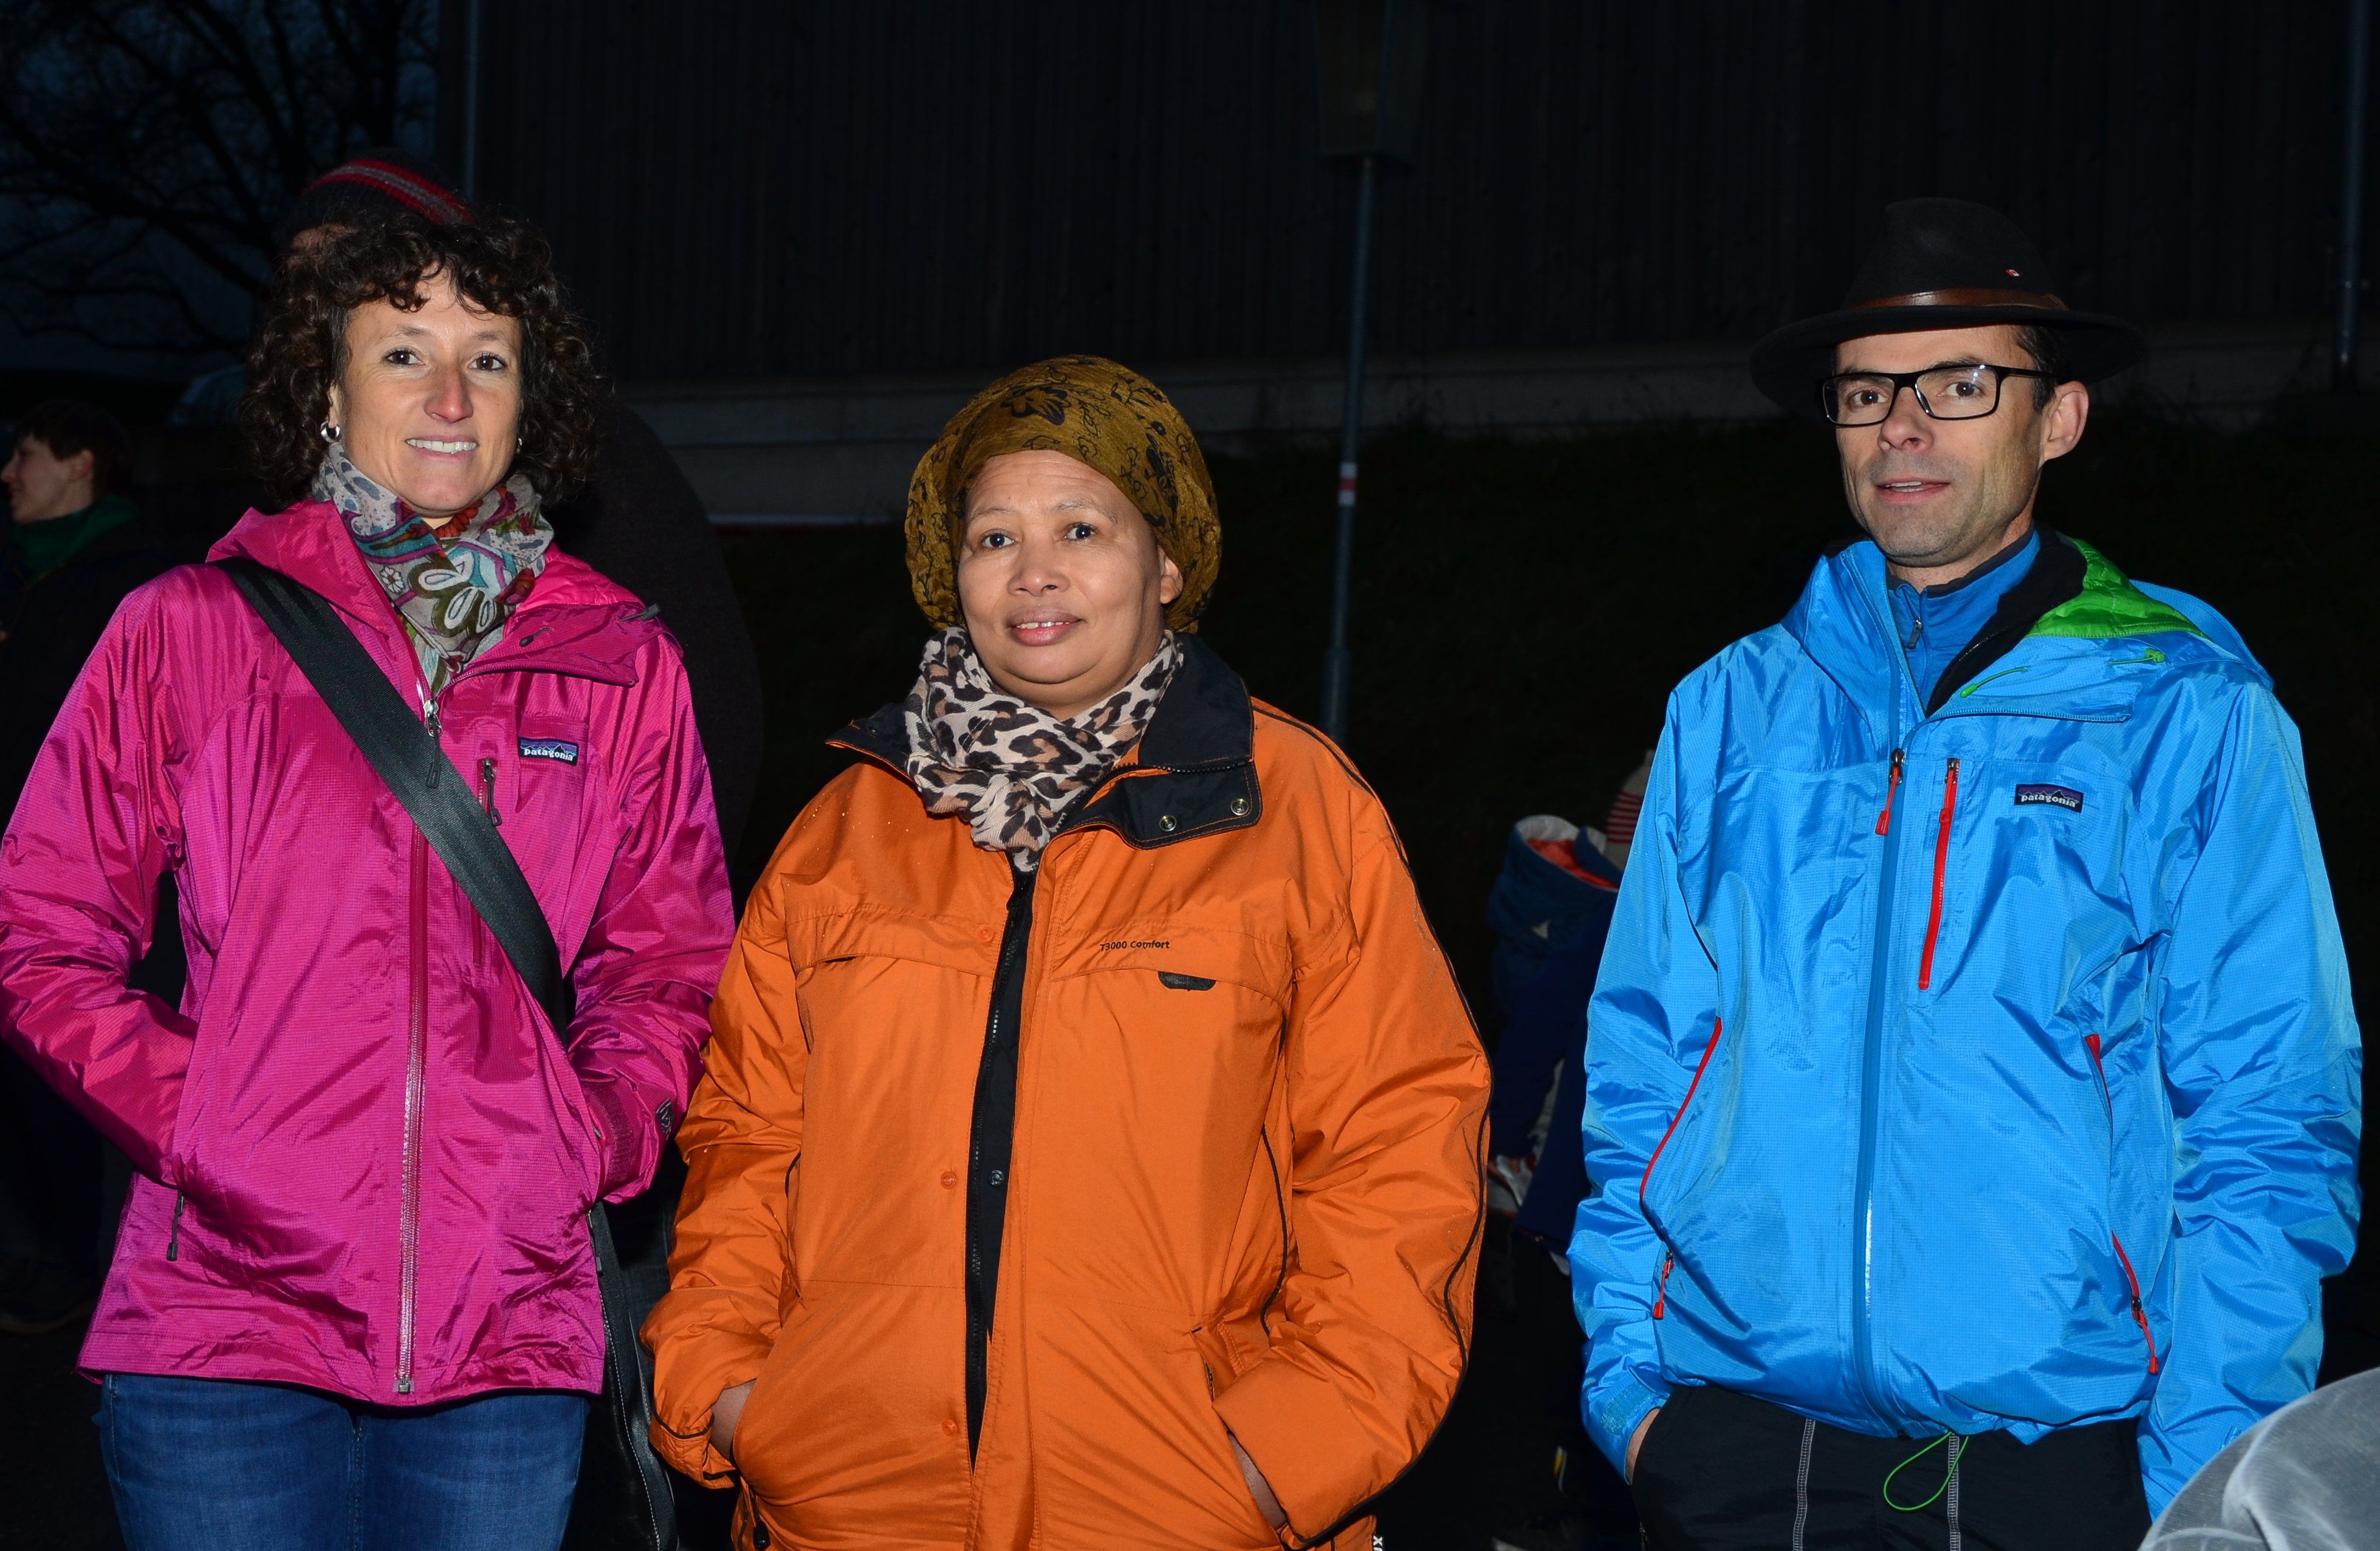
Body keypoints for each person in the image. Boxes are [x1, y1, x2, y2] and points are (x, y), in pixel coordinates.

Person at [1569, 198, 2362, 1550]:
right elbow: (1645, 1061)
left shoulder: (2183, 711)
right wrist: (1632, 1394)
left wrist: (2200, 1478)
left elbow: (2267, 1117)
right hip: (1733, 1450)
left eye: (1959, 383)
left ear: (2058, 419)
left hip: (2057, 1471)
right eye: (1867, 391)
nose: (1903, 426)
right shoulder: (1731, 708)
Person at [643, 355, 1490, 1550]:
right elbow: (745, 1133)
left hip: (1178, 1508)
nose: (1033, 570)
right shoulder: (846, 829)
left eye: (1081, 528)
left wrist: (1280, 1457)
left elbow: (1399, 1143)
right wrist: (732, 1388)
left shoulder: (1299, 810)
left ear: (1166, 565)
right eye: (994, 536)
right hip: (850, 1501)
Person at [0, 213, 733, 1550]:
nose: (451, 395)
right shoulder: (189, 627)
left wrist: (593, 1133)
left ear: (528, 398)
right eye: (404, 352)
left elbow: (670, 960)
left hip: (502, 1323)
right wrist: (205, 1121)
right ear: (328, 390)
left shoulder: (621, 660)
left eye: (488, 358)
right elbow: (41, 930)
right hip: (223, 1315)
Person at [0, 400, 171, 1336]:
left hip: (108, 885)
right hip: (30, 868)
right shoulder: (33, 575)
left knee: (78, 1072)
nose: (8, 473)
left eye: (25, 454)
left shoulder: (132, 582)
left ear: (80, 466)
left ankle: (81, 1270)